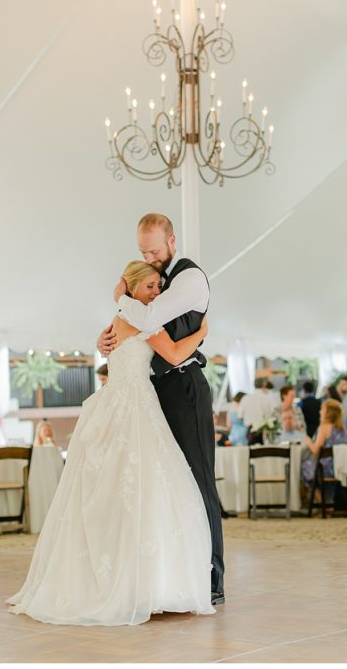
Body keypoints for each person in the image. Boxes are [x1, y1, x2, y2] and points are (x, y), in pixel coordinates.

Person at [10, 261, 214, 625]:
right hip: (134, 401)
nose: (156, 293)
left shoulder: (121, 316)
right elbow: (174, 355)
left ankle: (128, 573)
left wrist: (119, 303)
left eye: (158, 286)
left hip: (116, 399)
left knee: (122, 486)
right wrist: (201, 334)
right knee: (142, 485)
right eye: (151, 286)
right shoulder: (139, 317)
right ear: (134, 288)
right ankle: (143, 581)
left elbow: (114, 345)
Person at [95, 213, 225, 606]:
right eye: (142, 252)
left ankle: (211, 578)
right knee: (165, 484)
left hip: (183, 385)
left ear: (172, 241)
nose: (149, 258)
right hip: (151, 393)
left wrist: (119, 295)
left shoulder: (188, 278)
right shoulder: (150, 284)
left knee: (198, 480)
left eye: (154, 250)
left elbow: (151, 319)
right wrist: (107, 339)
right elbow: (137, 324)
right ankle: (169, 573)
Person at [301, 400, 347, 504]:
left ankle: (323, 504)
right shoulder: (342, 429)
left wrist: (307, 439)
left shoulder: (323, 428)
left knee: (304, 467)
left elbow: (315, 450)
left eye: (322, 409)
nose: (320, 412)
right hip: (342, 467)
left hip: (326, 468)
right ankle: (329, 502)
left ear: (328, 413)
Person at [240, 378, 276, 444]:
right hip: (265, 430)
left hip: (250, 430)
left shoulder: (245, 398)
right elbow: (273, 414)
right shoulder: (268, 398)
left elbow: (239, 415)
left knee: (251, 452)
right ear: (264, 385)